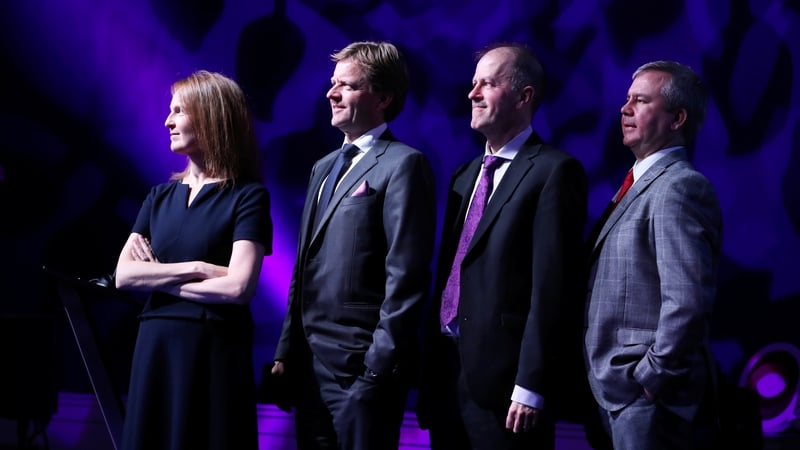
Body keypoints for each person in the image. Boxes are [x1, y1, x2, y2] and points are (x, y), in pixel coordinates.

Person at [416, 43, 590, 450]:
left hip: (506, 388)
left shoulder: (554, 171)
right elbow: (449, 275)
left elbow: (552, 290)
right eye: (473, 83)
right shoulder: (464, 175)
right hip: (447, 376)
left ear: (523, 96)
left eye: (488, 84)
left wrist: (531, 384)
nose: (472, 94)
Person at [270, 41, 437, 450]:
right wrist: (285, 351)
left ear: (382, 98)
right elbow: (304, 267)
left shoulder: (403, 163)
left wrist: (377, 369)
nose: (332, 93)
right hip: (309, 368)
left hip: (361, 371)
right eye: (332, 83)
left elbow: (407, 276)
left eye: (347, 85)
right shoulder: (323, 167)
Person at [113, 70, 272, 450]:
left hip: (212, 348)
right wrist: (198, 269)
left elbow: (237, 287)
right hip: (156, 344)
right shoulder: (159, 197)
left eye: (179, 111)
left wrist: (157, 275)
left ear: (211, 116)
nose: (168, 121)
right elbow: (123, 276)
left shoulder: (248, 196)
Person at [583, 60, 723, 449]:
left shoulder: (680, 188)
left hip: (645, 402)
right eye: (627, 99)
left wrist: (649, 380)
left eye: (641, 101)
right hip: (613, 395)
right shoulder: (636, 184)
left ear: (677, 118)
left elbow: (688, 301)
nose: (625, 109)